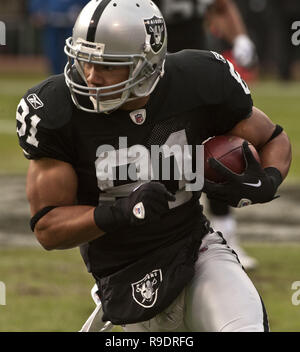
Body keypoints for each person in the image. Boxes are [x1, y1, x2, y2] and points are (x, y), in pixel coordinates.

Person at [16, 0, 291, 332]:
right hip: (120, 272)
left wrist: (270, 180)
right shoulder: (56, 111)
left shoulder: (197, 80)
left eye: (107, 65)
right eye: (84, 60)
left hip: (194, 249)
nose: (91, 77)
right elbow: (48, 227)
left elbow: (273, 137)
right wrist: (121, 213)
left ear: (147, 63)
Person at [156, 0, 258, 269]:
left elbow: (222, 6)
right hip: (152, 72)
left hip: (198, 69)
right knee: (159, 152)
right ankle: (157, 242)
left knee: (216, 150)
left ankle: (226, 237)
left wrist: (240, 37)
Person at [28, 0, 89, 74]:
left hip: (73, 26)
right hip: (51, 26)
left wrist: (85, 12)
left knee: (74, 55)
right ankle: (55, 78)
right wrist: (37, 11)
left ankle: (76, 77)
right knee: (53, 56)